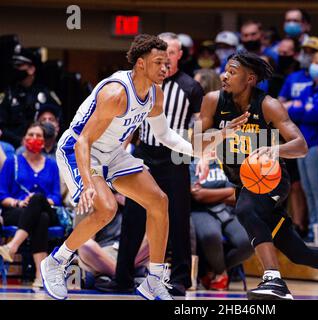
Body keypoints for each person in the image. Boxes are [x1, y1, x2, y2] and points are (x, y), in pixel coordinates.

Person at [193, 51, 318, 300]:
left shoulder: (268, 105)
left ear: (249, 78)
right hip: (242, 183)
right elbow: (194, 144)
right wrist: (223, 134)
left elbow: (301, 145)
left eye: (232, 71)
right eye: (225, 69)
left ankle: (273, 280)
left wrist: (273, 149)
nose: (224, 75)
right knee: (298, 253)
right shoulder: (212, 101)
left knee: (246, 210)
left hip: (272, 179)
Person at [40, 34, 198, 301]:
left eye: (167, 61)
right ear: (140, 64)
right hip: (80, 150)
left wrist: (199, 151)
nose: (165, 67)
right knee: (107, 209)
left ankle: (154, 280)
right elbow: (83, 141)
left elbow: (166, 136)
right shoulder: (116, 93)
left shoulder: (155, 93)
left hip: (112, 152)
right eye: (158, 62)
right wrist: (89, 184)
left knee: (159, 201)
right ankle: (56, 261)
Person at [101, 33, 204, 297]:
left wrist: (199, 157)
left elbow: (200, 127)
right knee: (133, 215)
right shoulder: (142, 84)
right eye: (162, 53)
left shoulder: (191, 87)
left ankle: (180, 279)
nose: (165, 58)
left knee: (178, 217)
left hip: (175, 156)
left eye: (171, 52)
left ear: (179, 55)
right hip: (145, 151)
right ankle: (122, 277)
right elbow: (129, 125)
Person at [0, 123, 62, 288]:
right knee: (40, 219)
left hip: (48, 208)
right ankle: (40, 276)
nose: (34, 138)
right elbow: (2, 194)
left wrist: (41, 201)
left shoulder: (52, 165)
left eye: (39, 135)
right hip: (17, 209)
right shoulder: (12, 162)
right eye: (31, 134)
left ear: (44, 141)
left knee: (38, 200)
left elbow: (56, 196)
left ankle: (12, 246)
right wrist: (19, 202)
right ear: (24, 139)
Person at [287, 52, 318, 243]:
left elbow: (317, 115)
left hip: (317, 144)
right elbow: (292, 113)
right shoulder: (308, 88)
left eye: (317, 62)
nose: (312, 65)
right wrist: (301, 109)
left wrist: (300, 109)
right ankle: (312, 228)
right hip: (302, 144)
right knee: (307, 188)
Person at [190, 159, 253, 291]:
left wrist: (209, 194)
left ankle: (214, 273)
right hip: (200, 210)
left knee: (249, 241)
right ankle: (219, 273)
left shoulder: (228, 160)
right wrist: (229, 191)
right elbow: (198, 196)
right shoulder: (191, 161)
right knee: (211, 235)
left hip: (228, 209)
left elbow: (239, 195)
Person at [0, 48, 61, 148]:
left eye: (20, 65)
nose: (16, 69)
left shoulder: (44, 93)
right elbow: (2, 127)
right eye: (15, 66)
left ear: (31, 69)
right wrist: (20, 141)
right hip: (13, 146)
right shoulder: (8, 94)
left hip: (42, 146)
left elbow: (57, 122)